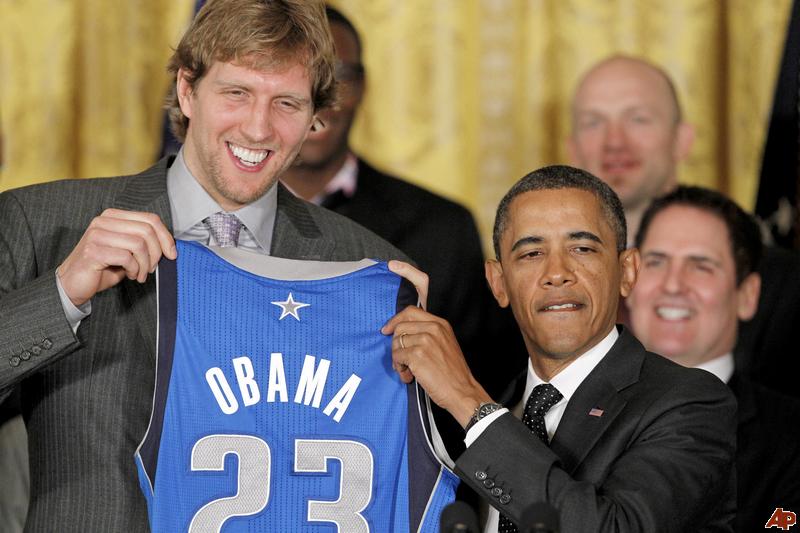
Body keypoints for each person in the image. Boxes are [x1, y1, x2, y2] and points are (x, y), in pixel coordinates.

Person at [0, 1, 417, 530]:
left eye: (286, 103)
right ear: (187, 90)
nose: (258, 127)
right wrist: (62, 293)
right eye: (236, 93)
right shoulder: (43, 224)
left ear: (316, 117)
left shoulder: (370, 270)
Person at [384, 165, 737, 532]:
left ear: (628, 271)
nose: (557, 272)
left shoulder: (689, 404)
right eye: (532, 254)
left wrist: (468, 402)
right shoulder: (465, 424)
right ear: (499, 283)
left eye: (582, 248)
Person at [280, 5, 524, 397]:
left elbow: (486, 387)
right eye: (299, 80)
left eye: (337, 79)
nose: (318, 100)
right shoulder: (210, 220)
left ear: (362, 88)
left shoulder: (442, 228)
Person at [567, 54, 800, 398]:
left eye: (638, 119)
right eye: (593, 122)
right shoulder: (539, 282)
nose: (614, 141)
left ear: (682, 140)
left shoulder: (782, 284)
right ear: (572, 150)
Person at [625, 185, 800, 533]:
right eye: (656, 262)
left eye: (700, 266)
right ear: (629, 281)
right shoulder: (568, 409)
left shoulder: (793, 438)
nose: (673, 285)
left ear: (747, 295)